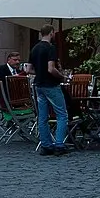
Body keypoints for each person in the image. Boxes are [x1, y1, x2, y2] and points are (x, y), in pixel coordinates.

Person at [31, 27, 71, 155]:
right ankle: (59, 144)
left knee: (42, 116)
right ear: (51, 33)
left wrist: (39, 72)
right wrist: (62, 76)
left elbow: (29, 69)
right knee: (62, 114)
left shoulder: (35, 48)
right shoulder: (50, 48)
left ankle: (46, 145)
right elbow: (51, 69)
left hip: (39, 84)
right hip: (51, 85)